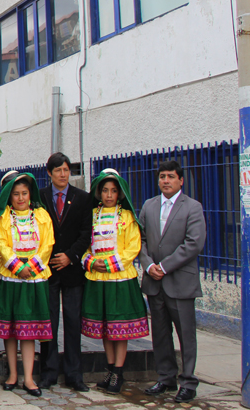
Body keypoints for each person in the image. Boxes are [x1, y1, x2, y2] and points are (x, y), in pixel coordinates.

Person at [139, 160, 206, 403]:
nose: (165, 180)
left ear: (181, 180)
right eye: (162, 177)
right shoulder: (149, 205)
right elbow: (141, 239)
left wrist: (164, 266)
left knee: (185, 334)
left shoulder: (193, 207)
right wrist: (148, 265)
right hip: (154, 282)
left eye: (170, 176)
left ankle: (188, 381)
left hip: (180, 282)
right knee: (160, 333)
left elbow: (194, 243)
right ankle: (166, 377)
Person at [81, 169, 149, 394]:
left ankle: (118, 371)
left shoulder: (128, 217)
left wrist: (109, 264)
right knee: (104, 327)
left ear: (119, 193)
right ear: (99, 193)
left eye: (113, 191)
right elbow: (83, 245)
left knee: (120, 327)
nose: (109, 195)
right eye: (105, 190)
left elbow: (132, 247)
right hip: (98, 278)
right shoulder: (90, 216)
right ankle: (110, 369)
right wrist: (91, 261)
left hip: (119, 278)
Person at [0, 172, 54, 398]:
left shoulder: (41, 216)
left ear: (30, 194)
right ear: (9, 197)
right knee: (10, 330)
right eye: (16, 194)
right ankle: (12, 375)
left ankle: (28, 378)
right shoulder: (3, 218)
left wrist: (33, 267)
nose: (20, 198)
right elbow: (1, 244)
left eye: (24, 193)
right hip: (11, 278)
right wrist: (18, 267)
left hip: (34, 279)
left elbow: (47, 244)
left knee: (28, 330)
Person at [38, 153, 92, 391]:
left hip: (72, 270)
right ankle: (48, 372)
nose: (62, 174)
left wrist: (70, 255)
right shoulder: (39, 197)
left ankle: (74, 374)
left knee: (72, 322)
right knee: (48, 322)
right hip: (48, 270)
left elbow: (86, 232)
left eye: (66, 170)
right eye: (58, 170)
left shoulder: (82, 198)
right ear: (49, 173)